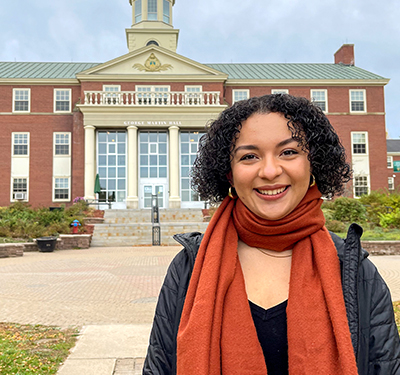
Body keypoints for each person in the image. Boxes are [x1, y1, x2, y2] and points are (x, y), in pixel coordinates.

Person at [143, 94, 400, 375]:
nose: (269, 171)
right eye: (249, 156)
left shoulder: (354, 271)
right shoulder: (189, 268)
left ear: (312, 163)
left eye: (288, 152)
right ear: (229, 174)